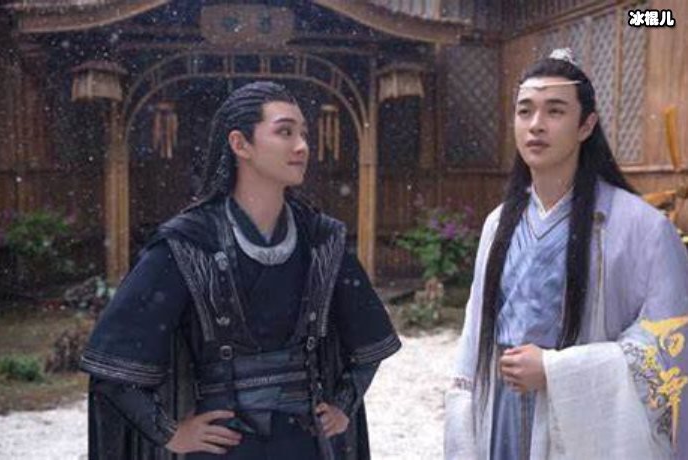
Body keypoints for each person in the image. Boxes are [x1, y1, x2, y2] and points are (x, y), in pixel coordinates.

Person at [81, 81, 401, 460]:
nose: (302, 146)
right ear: (240, 144)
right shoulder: (189, 241)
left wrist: (344, 405)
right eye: (285, 132)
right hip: (223, 448)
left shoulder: (321, 238)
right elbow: (113, 365)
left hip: (305, 444)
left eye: (303, 133)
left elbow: (370, 344)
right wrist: (170, 434)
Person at [444, 49, 688, 459]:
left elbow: (669, 343)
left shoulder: (643, 228)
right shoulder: (498, 224)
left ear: (586, 125)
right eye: (525, 111)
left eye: (555, 111)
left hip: (584, 427)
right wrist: (465, 412)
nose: (536, 125)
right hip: (502, 414)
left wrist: (557, 371)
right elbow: (473, 335)